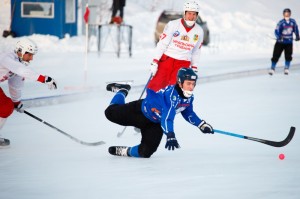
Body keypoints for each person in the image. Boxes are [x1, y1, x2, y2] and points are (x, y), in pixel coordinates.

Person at [105, 68, 214, 158]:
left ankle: (125, 152)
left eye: (193, 84)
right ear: (180, 82)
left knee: (146, 152)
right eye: (188, 83)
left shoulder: (189, 98)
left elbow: (188, 113)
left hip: (155, 123)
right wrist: (170, 134)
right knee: (109, 113)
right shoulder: (171, 96)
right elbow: (167, 118)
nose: (191, 87)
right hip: (140, 112)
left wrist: (201, 124)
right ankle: (123, 89)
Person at [0, 38, 57, 147]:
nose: (31, 58)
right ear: (20, 51)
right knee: (5, 106)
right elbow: (22, 70)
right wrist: (44, 79)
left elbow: (15, 84)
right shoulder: (7, 58)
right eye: (29, 54)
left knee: (6, 106)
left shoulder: (19, 64)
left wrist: (16, 102)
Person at [148, 0, 204, 92]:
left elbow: (196, 51)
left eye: (194, 14)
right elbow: (162, 44)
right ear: (184, 13)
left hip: (183, 64)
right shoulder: (173, 24)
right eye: (189, 13)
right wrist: (155, 61)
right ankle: (149, 105)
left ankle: (170, 106)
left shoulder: (199, 31)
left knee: (174, 90)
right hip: (167, 60)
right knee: (155, 86)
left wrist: (194, 67)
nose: (191, 17)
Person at [269, 8, 299, 75]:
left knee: (288, 56)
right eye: (285, 13)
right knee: (275, 55)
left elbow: (296, 29)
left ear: (290, 14)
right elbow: (276, 31)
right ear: (283, 14)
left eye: (288, 13)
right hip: (280, 42)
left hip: (289, 42)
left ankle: (286, 68)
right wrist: (279, 37)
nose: (287, 15)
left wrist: (297, 36)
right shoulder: (281, 22)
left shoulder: (293, 22)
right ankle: (272, 68)